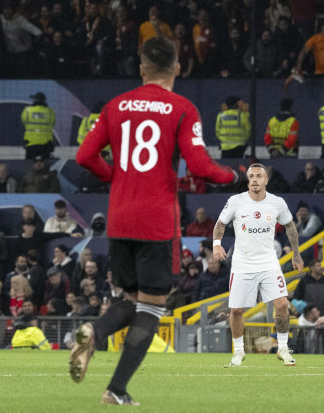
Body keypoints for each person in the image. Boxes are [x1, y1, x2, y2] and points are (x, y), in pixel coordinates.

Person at [73, 37, 239, 405]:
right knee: (151, 307)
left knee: (131, 300)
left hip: (119, 219)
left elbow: (84, 156)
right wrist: (234, 176)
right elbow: (200, 167)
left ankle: (93, 332)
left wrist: (114, 174)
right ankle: (114, 388)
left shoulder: (116, 105)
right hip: (156, 220)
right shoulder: (182, 108)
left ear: (142, 67)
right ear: (178, 68)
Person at [213, 163, 303, 367]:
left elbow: (290, 226)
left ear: (266, 180)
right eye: (251, 176)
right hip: (242, 264)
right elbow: (220, 223)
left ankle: (282, 348)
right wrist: (216, 245)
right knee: (236, 311)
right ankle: (238, 352)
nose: (254, 179)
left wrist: (296, 254)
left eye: (258, 176)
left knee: (282, 304)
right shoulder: (236, 201)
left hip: (269, 263)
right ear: (248, 179)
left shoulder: (277, 203)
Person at [21, 92, 55, 159]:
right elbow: (52, 124)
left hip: (31, 143)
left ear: (36, 100)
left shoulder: (27, 111)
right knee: (45, 166)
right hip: (46, 144)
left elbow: (24, 122)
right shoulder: (50, 112)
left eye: (34, 99)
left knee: (30, 165)